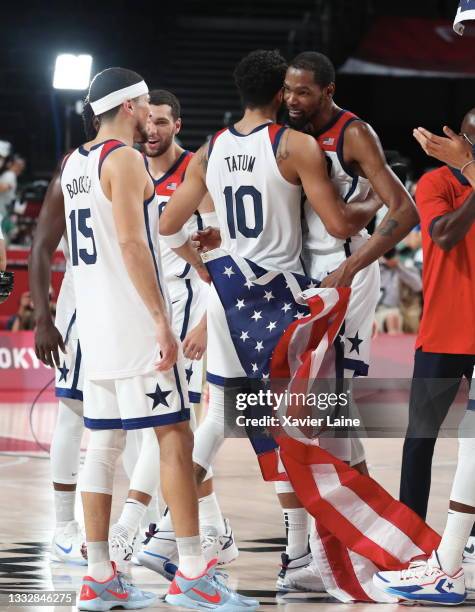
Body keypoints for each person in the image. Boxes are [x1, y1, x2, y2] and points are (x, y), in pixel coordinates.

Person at [160, 46, 416, 593]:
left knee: (243, 418)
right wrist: (368, 205)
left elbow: (169, 224)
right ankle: (327, 553)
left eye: (306, 90)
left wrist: (209, 261)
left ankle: (176, 538)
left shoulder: (217, 146)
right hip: (283, 295)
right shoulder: (293, 144)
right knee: (301, 422)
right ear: (280, 91)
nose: (297, 98)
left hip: (254, 293)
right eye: (291, 89)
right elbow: (332, 216)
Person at [39, 66, 257, 611]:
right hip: (136, 326)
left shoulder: (74, 164)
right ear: (132, 105)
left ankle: (99, 577)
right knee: (174, 441)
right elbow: (133, 247)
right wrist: (161, 320)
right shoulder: (126, 158)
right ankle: (192, 574)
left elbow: (119, 237)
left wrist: (187, 245)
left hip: (95, 325)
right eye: (144, 107)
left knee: (103, 444)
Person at [374, 108, 475, 605]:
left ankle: (465, 544)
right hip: (442, 333)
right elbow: (444, 236)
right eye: (473, 141)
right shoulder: (436, 182)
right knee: (420, 440)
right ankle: (411, 534)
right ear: (457, 139)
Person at [136, 89, 239, 577]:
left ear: (177, 124)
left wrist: (204, 320)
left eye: (160, 121)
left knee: (179, 426)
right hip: (159, 311)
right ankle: (216, 531)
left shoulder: (197, 173)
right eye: (146, 120)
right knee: (172, 428)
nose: (151, 129)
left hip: (198, 309)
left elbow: (224, 254)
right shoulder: (133, 172)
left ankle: (144, 528)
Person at [375, 248, 422, 335]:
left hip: (394, 309)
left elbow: (418, 286)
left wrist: (398, 266)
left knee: (392, 318)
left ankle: (393, 346)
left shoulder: (401, 268)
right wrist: (380, 263)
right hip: (374, 310)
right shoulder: (375, 267)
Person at [0, 154, 25, 226]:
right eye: (19, 165)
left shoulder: (10, 174)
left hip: (5, 210)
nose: (22, 167)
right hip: (3, 210)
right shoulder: (9, 174)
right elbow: (2, 187)